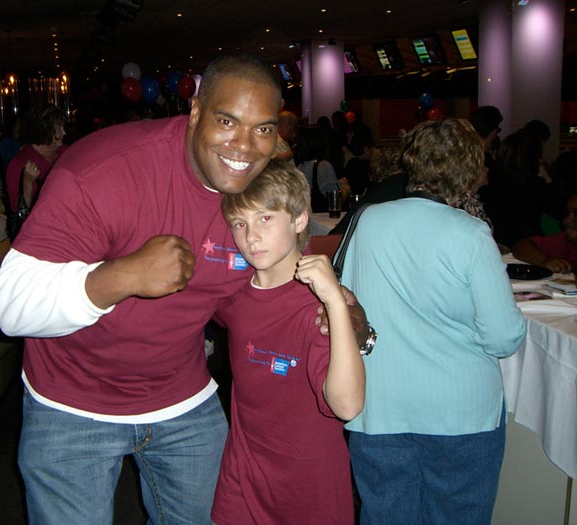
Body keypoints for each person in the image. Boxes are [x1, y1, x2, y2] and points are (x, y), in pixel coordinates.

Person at [0, 54, 369, 525]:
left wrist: (342, 318)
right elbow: (9, 303)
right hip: (72, 401)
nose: (245, 146)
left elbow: (245, 294)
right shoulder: (103, 171)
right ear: (194, 112)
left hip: (180, 397)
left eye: (264, 129)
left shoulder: (246, 197)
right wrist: (124, 275)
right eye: (228, 121)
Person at [340, 118, 526, 524]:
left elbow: (351, 310)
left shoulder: (369, 220)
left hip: (380, 407)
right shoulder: (471, 234)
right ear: (468, 172)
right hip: (460, 414)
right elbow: (502, 338)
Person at [212, 158, 364, 524]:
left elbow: (347, 405)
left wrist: (337, 306)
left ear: (299, 219)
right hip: (243, 478)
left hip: (309, 490)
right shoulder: (232, 293)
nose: (251, 236)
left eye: (266, 218)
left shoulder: (318, 306)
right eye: (240, 223)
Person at [5, 102, 67, 213]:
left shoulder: (67, 153)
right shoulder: (19, 163)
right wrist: (27, 183)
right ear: (44, 130)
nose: (64, 132)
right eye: (58, 128)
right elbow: (20, 213)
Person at [512, 193, 577, 273]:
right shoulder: (565, 241)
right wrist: (545, 261)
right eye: (567, 213)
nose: (567, 220)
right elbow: (521, 246)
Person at [296, 127, 342, 213]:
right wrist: (345, 190)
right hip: (323, 218)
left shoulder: (300, 166)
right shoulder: (323, 166)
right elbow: (333, 199)